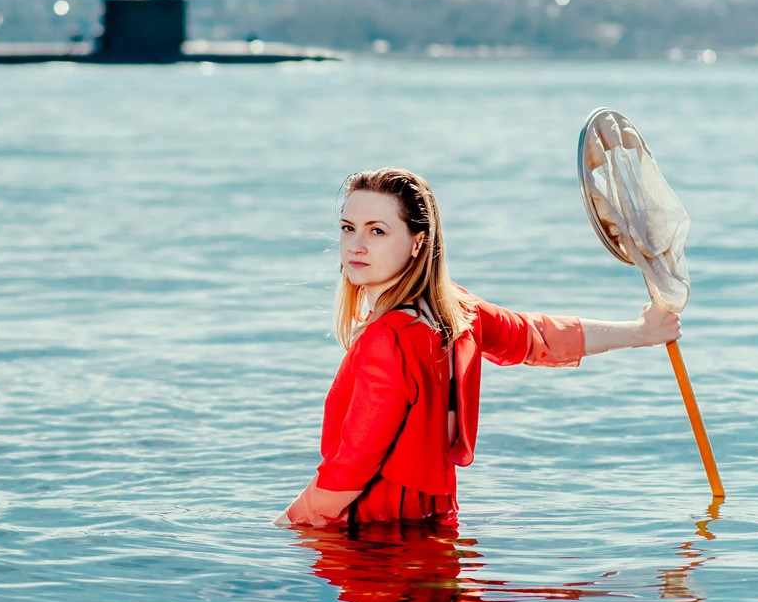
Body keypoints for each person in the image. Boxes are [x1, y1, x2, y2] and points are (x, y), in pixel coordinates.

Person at [273, 167, 679, 528]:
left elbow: (351, 469)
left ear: (418, 242)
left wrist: (284, 528)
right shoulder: (455, 311)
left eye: (377, 230)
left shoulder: (387, 338)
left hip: (377, 540)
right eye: (348, 227)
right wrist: (642, 331)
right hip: (435, 519)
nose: (355, 245)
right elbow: (537, 336)